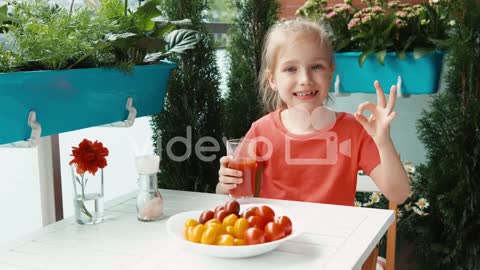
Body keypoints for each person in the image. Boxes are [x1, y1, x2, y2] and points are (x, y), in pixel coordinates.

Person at [216, 18, 410, 206]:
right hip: (279, 236)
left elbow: (399, 194)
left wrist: (383, 140)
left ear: (330, 73)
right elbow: (226, 192)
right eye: (291, 69)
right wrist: (226, 183)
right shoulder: (261, 131)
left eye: (316, 67)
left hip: (335, 237)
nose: (305, 79)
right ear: (273, 80)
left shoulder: (355, 130)